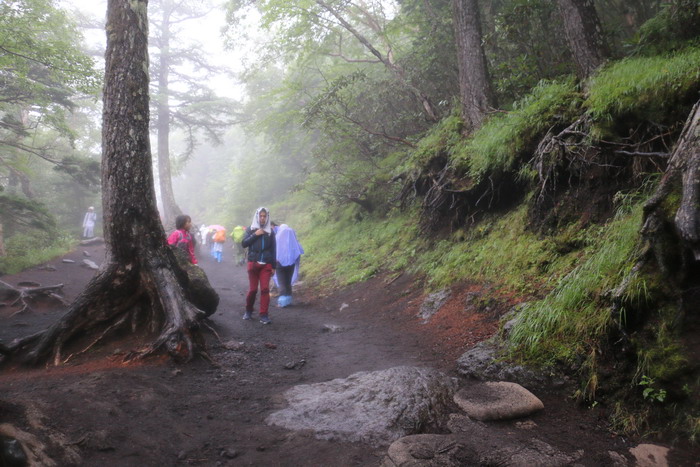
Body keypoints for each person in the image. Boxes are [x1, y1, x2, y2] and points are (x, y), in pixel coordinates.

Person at [241, 207, 276, 324]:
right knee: (253, 290)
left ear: (267, 217)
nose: (262, 218)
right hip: (253, 263)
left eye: (264, 216)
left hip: (266, 264)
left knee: (265, 289)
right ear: (257, 217)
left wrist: (274, 266)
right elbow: (244, 244)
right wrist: (255, 234)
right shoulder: (250, 230)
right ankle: (248, 311)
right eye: (260, 216)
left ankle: (264, 315)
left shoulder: (270, 232)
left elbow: (273, 249)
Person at [274, 224, 304, 308]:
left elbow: (273, 250)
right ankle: (288, 300)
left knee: (281, 282)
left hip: (279, 263)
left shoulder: (277, 237)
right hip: (291, 264)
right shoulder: (292, 237)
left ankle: (282, 301)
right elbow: (299, 250)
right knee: (288, 281)